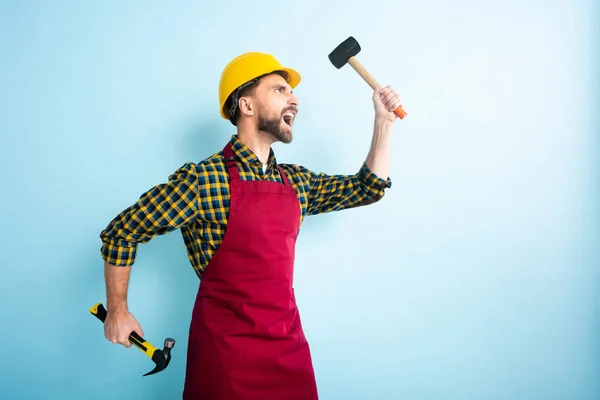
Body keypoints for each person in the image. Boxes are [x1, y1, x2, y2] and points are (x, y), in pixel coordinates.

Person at [99, 51, 402, 399]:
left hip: (288, 350)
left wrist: (384, 123)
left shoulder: (296, 182)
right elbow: (121, 232)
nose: (294, 99)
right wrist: (117, 311)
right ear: (246, 105)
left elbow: (367, 188)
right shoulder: (203, 180)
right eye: (279, 90)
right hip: (225, 357)